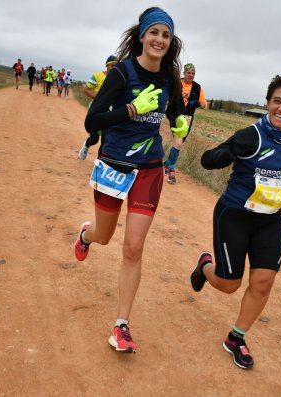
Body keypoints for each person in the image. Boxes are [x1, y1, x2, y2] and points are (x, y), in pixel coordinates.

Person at [189, 75, 281, 369]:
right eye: (277, 101)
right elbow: (209, 160)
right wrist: (228, 153)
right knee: (230, 284)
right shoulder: (250, 135)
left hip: (270, 221)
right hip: (234, 214)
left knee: (263, 282)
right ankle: (205, 267)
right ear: (268, 103)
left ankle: (236, 338)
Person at [74, 6, 188, 353]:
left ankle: (121, 324)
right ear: (141, 36)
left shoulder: (169, 78)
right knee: (105, 236)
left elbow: (174, 110)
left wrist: (181, 123)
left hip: (150, 169)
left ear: (171, 42)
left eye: (166, 35)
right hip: (114, 164)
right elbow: (92, 121)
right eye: (154, 32)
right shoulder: (122, 74)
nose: (159, 39)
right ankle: (86, 234)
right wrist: (132, 110)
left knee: (133, 247)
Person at [163, 63, 207, 183]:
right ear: (184, 73)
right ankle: (171, 169)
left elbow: (204, 105)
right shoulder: (176, 84)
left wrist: (197, 104)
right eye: (189, 73)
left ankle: (166, 163)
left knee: (179, 143)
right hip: (175, 115)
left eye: (193, 73)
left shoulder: (198, 88)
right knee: (178, 142)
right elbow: (166, 96)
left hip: (188, 118)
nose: (191, 75)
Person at [78, 55, 119, 160]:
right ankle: (86, 146)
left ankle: (100, 162)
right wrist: (101, 98)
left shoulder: (119, 78)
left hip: (110, 112)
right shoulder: (97, 76)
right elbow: (86, 89)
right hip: (96, 110)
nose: (113, 68)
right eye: (111, 66)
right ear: (107, 66)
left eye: (116, 66)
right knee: (95, 138)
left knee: (106, 138)